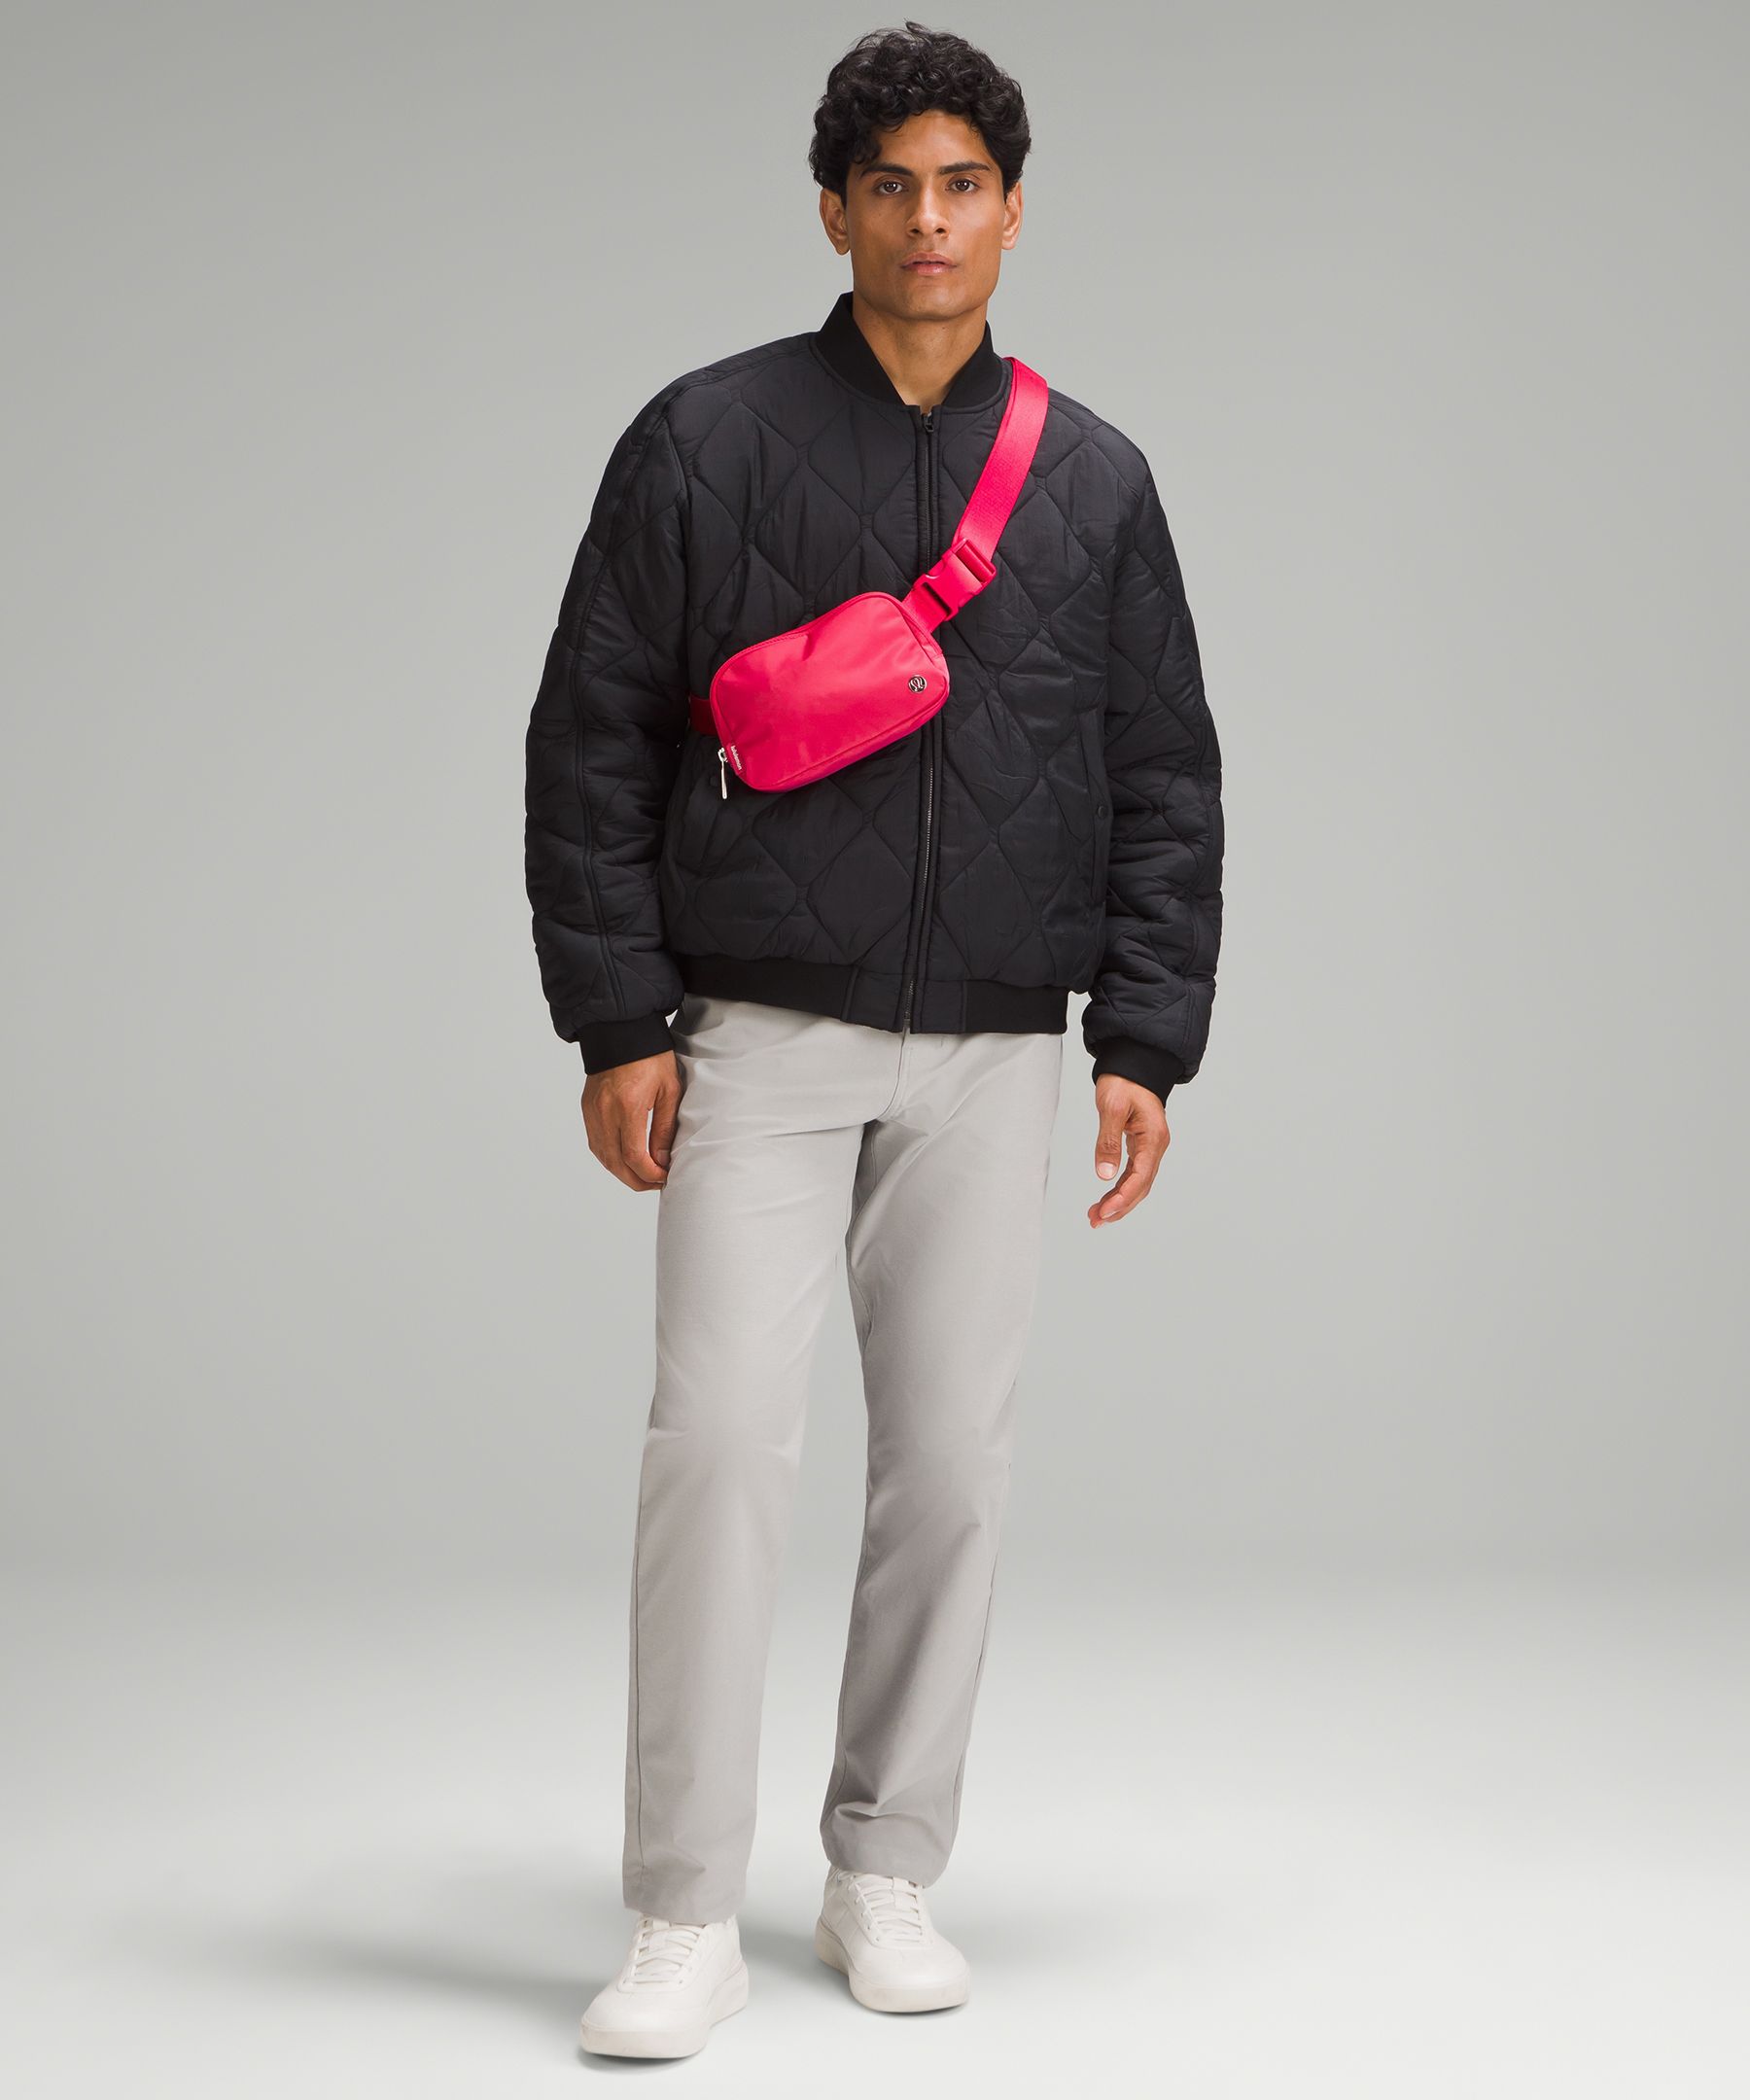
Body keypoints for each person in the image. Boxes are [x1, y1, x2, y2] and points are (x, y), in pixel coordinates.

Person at [524, 19, 1223, 2060]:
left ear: (1012, 210)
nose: (930, 221)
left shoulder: (1093, 480)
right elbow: (591, 737)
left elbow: (1165, 769)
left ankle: (884, 1867)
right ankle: (681, 1915)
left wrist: (1143, 1035)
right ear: (832, 211)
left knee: (950, 1471)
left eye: (964, 185)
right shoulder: (705, 439)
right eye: (892, 186)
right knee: (719, 1450)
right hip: (754, 1034)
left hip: (1001, 1047)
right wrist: (616, 1018)